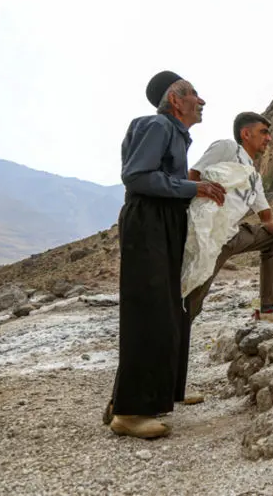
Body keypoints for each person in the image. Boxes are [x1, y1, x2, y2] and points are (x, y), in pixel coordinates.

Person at [107, 71, 226, 439]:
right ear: (176, 100)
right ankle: (129, 413)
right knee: (149, 312)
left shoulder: (174, 134)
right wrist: (194, 187)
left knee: (166, 310)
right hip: (149, 223)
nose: (201, 101)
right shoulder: (156, 125)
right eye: (194, 94)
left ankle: (143, 398)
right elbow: (137, 176)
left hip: (164, 223)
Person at [185, 112, 273, 323]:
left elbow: (267, 218)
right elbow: (194, 176)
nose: (269, 138)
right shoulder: (227, 148)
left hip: (232, 235)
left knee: (272, 239)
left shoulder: (254, 177)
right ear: (246, 133)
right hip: (209, 236)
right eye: (263, 132)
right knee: (192, 300)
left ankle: (268, 308)